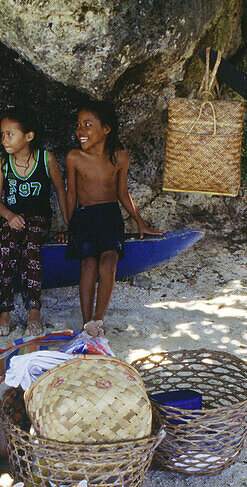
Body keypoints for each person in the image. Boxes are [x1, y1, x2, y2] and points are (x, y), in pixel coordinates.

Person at [65, 101, 162, 336]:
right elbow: (72, 195)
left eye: (88, 125)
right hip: (84, 217)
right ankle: (86, 322)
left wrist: (139, 221)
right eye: (79, 125)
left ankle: (98, 321)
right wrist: (70, 228)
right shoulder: (74, 157)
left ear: (106, 129)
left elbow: (122, 193)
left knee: (108, 264)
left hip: (110, 216)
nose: (81, 131)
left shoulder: (119, 157)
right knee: (88, 265)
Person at [0, 107, 68, 338]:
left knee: (31, 250)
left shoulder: (46, 158)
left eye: (10, 134)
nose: (4, 139)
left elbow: (60, 189)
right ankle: (4, 312)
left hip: (38, 219)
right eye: (2, 134)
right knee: (6, 249)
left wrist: (67, 223)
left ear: (29, 136)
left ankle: (34, 312)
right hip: (11, 218)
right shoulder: (2, 164)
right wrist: (9, 216)